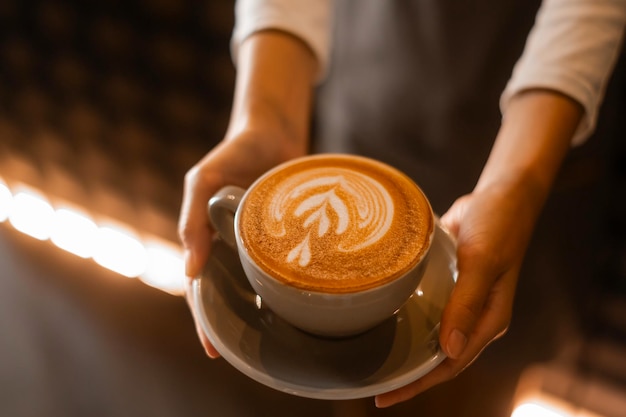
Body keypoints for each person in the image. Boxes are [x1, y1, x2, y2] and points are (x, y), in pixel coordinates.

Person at [179, 0, 626, 409]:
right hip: (368, 94)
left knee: (474, 388)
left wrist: (516, 183)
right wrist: (267, 113)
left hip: (532, 152)